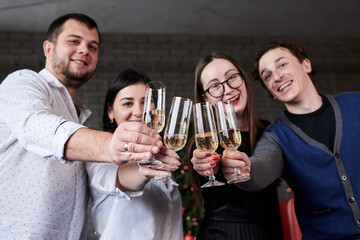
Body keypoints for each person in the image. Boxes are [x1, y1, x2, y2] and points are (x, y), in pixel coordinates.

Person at [0, 13, 173, 239]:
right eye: (74, 41)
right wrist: (109, 146)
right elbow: (35, 126)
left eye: (93, 46)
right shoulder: (23, 82)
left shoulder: (79, 116)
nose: (85, 50)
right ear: (48, 49)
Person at [221, 41, 360, 239]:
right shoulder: (276, 136)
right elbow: (259, 168)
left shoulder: (355, 103)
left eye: (282, 64)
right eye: (267, 76)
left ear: (306, 65)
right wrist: (242, 168)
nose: (276, 77)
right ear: (271, 92)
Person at [189, 52, 283, 240]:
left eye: (232, 77)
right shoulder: (204, 142)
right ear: (206, 98)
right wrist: (207, 164)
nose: (228, 89)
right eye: (215, 86)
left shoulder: (270, 131)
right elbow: (208, 162)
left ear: (244, 79)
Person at [86, 69, 183, 239]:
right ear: (110, 111)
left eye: (146, 102)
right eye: (128, 103)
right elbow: (123, 181)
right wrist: (143, 169)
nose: (139, 112)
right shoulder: (99, 157)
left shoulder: (158, 155)